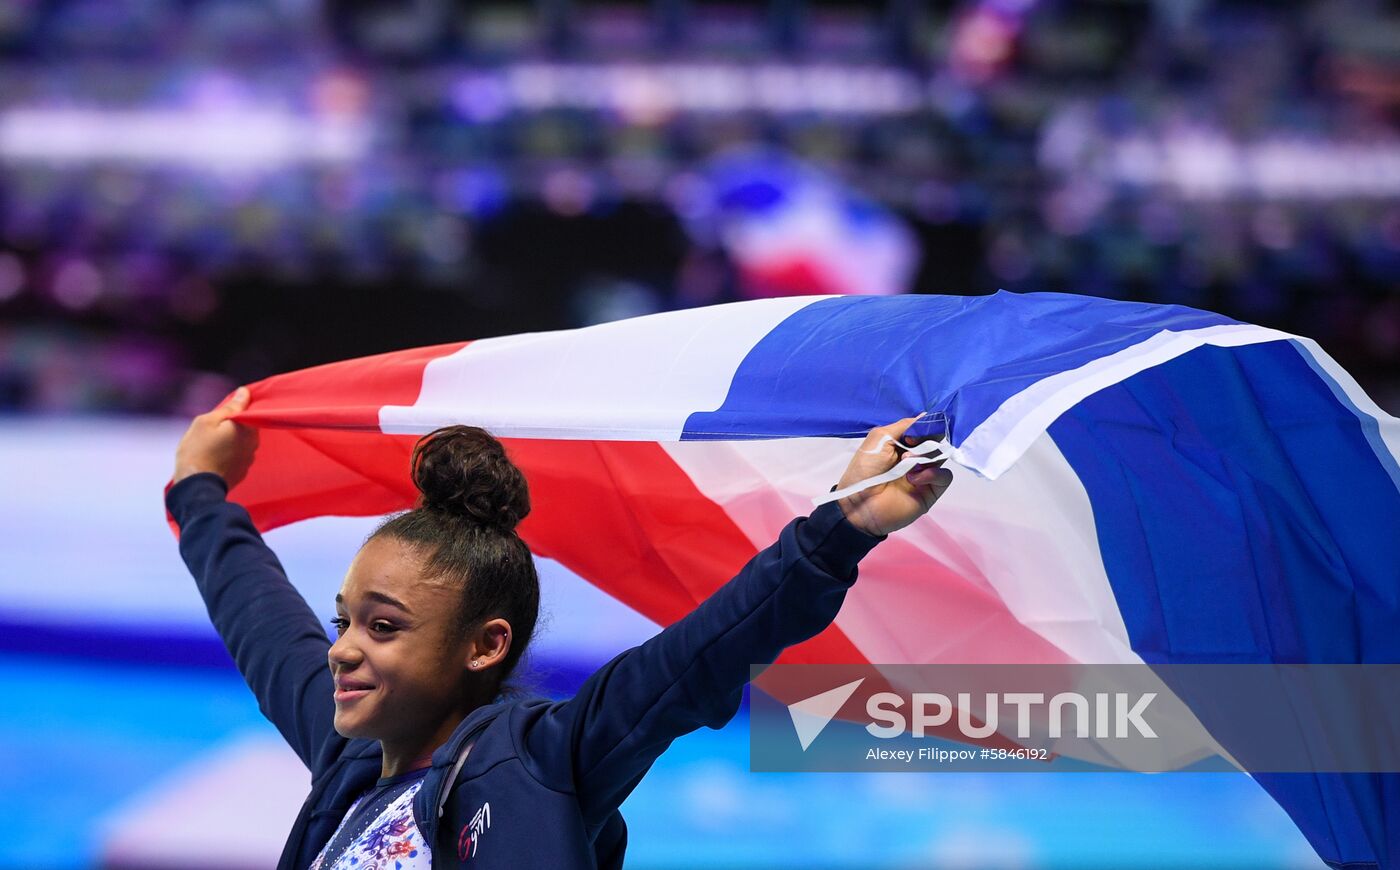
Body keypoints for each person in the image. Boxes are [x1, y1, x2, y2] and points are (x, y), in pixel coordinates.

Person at [167, 386, 953, 870]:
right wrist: (200, 487)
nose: (340, 647)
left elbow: (709, 649)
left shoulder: (545, 759)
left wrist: (846, 523)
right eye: (345, 621)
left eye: (382, 626)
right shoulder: (347, 759)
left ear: (486, 645)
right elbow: (257, 613)